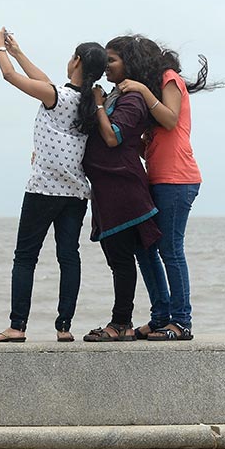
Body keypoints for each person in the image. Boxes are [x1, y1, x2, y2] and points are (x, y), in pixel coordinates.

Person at [0, 29, 107, 343]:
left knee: (25, 257)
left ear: (76, 60)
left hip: (43, 189)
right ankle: (64, 327)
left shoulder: (58, 96)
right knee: (69, 257)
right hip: (75, 194)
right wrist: (19, 50)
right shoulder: (87, 102)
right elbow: (44, 81)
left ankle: (18, 326)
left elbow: (10, 77)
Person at [118, 37, 217, 341]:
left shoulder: (168, 79)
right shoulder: (153, 92)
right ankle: (161, 316)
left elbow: (171, 120)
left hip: (178, 179)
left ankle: (182, 321)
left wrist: (143, 90)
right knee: (144, 247)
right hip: (158, 178)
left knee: (170, 249)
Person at [82, 36, 161, 342]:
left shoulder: (132, 98)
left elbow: (113, 137)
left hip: (123, 188)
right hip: (107, 189)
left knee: (122, 260)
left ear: (129, 63)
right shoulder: (116, 94)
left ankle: (121, 323)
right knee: (118, 259)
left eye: (112, 59)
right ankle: (123, 321)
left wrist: (99, 104)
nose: (106, 65)